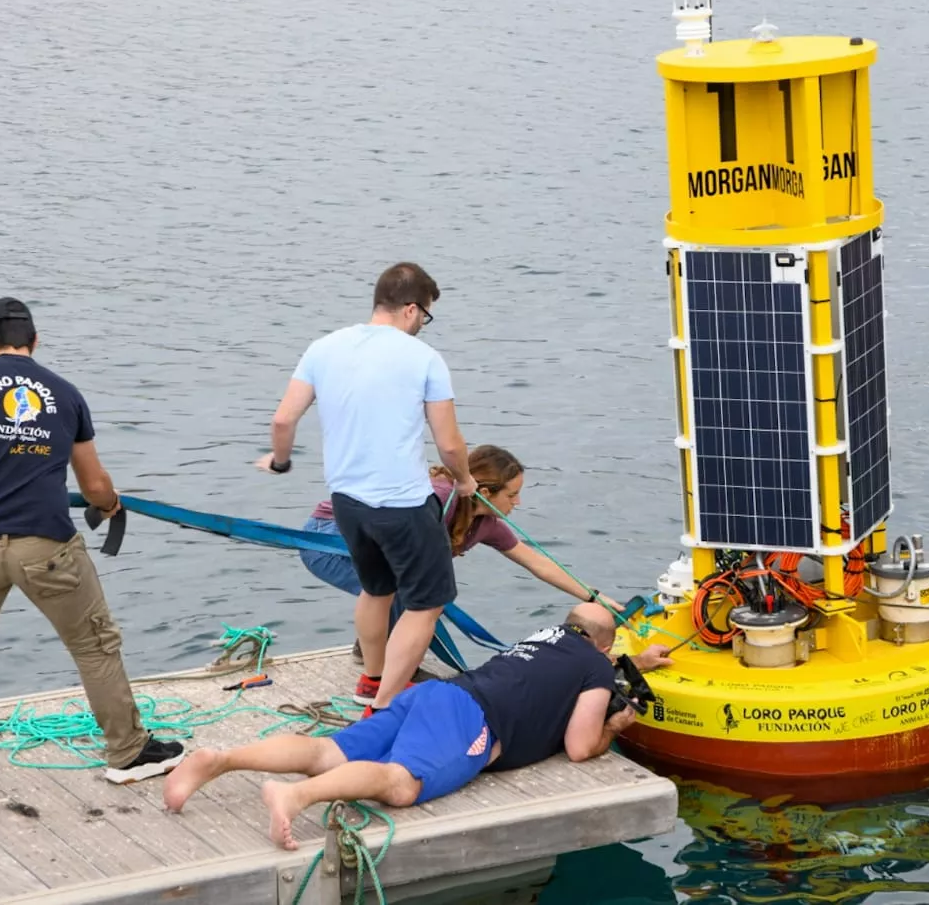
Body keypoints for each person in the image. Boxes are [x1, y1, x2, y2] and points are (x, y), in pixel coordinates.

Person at [0, 297, 184, 811]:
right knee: (93, 647)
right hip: (46, 545)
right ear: (34, 342)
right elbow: (95, 486)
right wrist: (111, 504)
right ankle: (128, 752)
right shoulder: (66, 393)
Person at [162, 602, 672, 848]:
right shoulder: (594, 666)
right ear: (603, 647)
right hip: (473, 720)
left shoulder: (550, 639)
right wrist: (617, 726)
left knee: (326, 751)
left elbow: (571, 668)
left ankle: (221, 760)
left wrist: (636, 664)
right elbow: (580, 746)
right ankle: (294, 798)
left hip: (437, 694)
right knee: (400, 783)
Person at [257, 262, 474, 713]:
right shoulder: (424, 358)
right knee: (427, 604)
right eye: (426, 316)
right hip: (403, 503)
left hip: (346, 502)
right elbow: (449, 444)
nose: (423, 326)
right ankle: (387, 704)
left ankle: (372, 681)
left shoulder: (323, 347)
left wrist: (280, 463)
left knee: (376, 589)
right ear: (412, 309)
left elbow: (283, 419)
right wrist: (467, 480)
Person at [300, 444, 626, 679]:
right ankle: (387, 674)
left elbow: (537, 563)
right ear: (485, 491)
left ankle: (378, 657)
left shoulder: (486, 524)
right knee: (402, 590)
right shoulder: (437, 497)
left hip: (384, 556)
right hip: (329, 541)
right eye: (511, 495)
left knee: (411, 589)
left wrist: (593, 597)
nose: (518, 502)